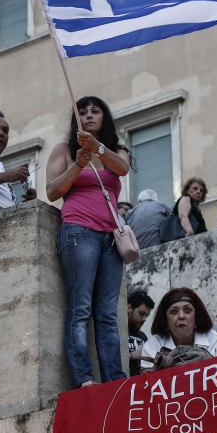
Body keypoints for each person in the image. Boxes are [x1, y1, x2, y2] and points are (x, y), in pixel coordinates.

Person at [45, 96, 132, 388]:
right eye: (82, 112)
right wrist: (77, 165)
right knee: (80, 308)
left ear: (105, 117)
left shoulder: (115, 150)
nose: (89, 115)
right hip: (78, 231)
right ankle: (83, 378)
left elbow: (122, 168)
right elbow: (52, 191)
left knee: (107, 314)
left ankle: (114, 379)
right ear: (76, 120)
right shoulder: (64, 150)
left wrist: (97, 148)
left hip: (111, 238)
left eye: (95, 111)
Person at [141, 287, 217, 371]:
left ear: (196, 316)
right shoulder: (154, 344)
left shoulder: (212, 338)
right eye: (174, 311)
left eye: (187, 310)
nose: (181, 316)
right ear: (165, 319)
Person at [127, 290, 155, 377]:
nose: (144, 319)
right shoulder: (115, 332)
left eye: (147, 315)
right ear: (129, 308)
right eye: (141, 314)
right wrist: (132, 355)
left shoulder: (143, 336)